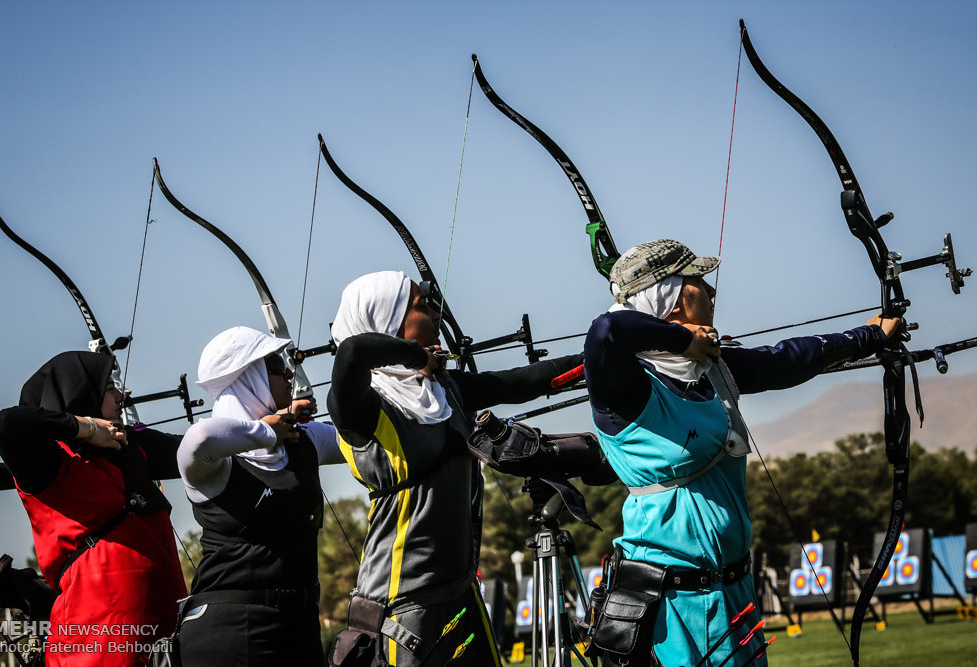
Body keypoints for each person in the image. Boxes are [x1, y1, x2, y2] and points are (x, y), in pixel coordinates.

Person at [583, 240, 900, 667]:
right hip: (668, 603)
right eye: (697, 280)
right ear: (670, 296)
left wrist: (870, 336)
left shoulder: (710, 370)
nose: (711, 291)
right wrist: (683, 340)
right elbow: (607, 331)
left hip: (735, 593)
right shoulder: (626, 385)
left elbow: (786, 360)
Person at [326, 270, 583, 667]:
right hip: (402, 609)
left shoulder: (445, 392)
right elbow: (353, 353)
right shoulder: (365, 408)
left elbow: (523, 381)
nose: (434, 315)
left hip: (460, 594)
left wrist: (605, 360)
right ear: (388, 319)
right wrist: (416, 355)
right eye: (421, 306)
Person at [0, 351, 187, 665]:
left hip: (166, 640)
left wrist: (266, 428)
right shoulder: (48, 463)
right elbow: (7, 423)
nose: (120, 396)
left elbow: (198, 447)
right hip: (94, 646)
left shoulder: (131, 445)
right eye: (109, 387)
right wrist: (87, 429)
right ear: (82, 393)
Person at [176, 326, 343, 667]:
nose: (287, 372)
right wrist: (266, 431)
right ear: (247, 376)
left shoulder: (303, 439)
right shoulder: (214, 461)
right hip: (231, 629)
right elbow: (199, 439)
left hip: (299, 623)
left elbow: (360, 437)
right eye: (275, 364)